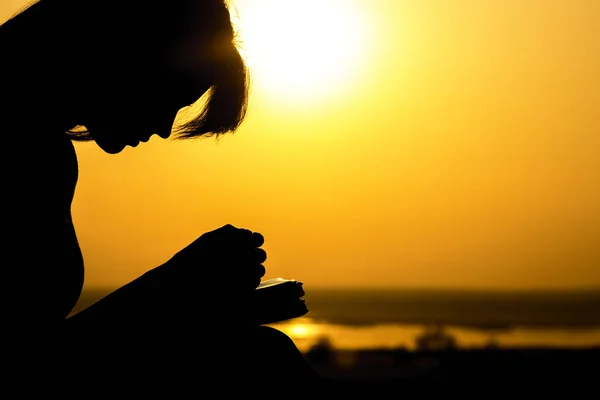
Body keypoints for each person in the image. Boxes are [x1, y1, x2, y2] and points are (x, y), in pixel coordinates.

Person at [1, 0, 319, 390]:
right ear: (122, 53)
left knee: (260, 350)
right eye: (169, 97)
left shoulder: (46, 154)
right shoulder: (19, 148)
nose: (165, 128)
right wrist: (166, 292)